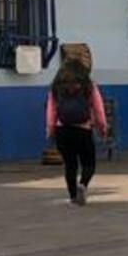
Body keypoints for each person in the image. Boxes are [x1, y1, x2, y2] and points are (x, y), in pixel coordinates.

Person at [45, 56, 107, 205]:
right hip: (83, 130)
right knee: (89, 164)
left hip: (63, 131)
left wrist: (50, 131)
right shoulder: (88, 85)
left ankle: (73, 197)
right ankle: (83, 184)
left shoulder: (56, 87)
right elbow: (98, 109)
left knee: (70, 165)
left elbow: (51, 111)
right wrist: (102, 128)